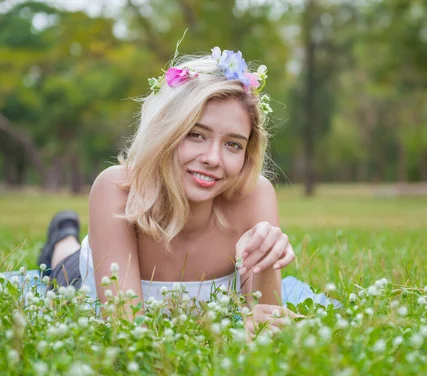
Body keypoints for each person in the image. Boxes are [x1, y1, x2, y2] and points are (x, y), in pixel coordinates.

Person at [20, 46, 338, 333]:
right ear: (166, 131)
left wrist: (267, 261)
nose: (212, 158)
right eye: (196, 135)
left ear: (247, 153)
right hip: (83, 277)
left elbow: (265, 318)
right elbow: (125, 328)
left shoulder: (256, 195)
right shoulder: (117, 188)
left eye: (232, 144)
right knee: (63, 264)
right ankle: (62, 236)